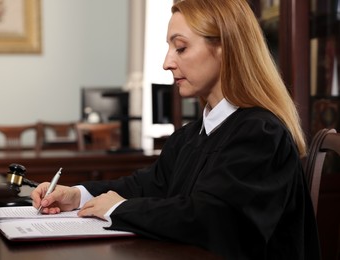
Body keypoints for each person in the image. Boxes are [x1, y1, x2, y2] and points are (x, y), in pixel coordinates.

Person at [31, 0, 321, 259]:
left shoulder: (261, 134)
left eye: (180, 47)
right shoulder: (192, 135)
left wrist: (117, 209)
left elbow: (214, 220)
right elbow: (147, 185)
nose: (167, 63)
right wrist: (78, 195)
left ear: (224, 48)